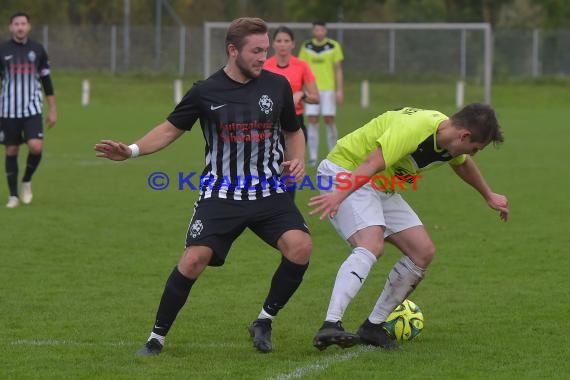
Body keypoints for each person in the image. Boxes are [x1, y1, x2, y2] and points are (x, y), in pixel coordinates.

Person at [94, 17, 312, 356]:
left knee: (301, 248)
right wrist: (132, 150)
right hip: (221, 194)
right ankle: (156, 338)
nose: (262, 57)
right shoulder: (205, 91)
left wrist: (298, 159)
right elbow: (169, 129)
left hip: (269, 191)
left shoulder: (277, 85)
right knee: (194, 259)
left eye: (265, 50)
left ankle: (264, 320)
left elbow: (293, 130)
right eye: (256, 51)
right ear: (232, 50)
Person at [308, 104, 508, 350]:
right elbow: (373, 162)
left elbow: (462, 163)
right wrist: (338, 195)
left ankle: (372, 327)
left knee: (422, 252)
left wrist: (488, 195)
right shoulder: (414, 129)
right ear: (464, 135)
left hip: (381, 184)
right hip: (346, 172)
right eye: (475, 148)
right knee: (371, 244)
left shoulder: (449, 138)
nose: (474, 154)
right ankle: (331, 323)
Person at [0, 12, 57, 208]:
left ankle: (26, 180)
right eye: (16, 24)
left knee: (36, 146)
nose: (20, 27)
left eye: (23, 23)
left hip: (32, 109)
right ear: (11, 27)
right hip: (8, 110)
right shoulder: (2, 50)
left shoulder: (38, 50)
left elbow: (46, 81)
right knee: (12, 150)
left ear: (29, 27)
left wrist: (52, 109)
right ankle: (13, 196)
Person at [264, 25, 319, 199]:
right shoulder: (265, 66)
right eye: (279, 41)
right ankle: (268, 206)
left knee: (290, 169)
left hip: (295, 124)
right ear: (273, 44)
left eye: (286, 41)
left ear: (293, 44)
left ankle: (287, 208)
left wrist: (301, 94)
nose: (282, 45)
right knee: (271, 169)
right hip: (270, 124)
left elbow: (316, 97)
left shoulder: (301, 66)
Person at [298, 21, 344, 167]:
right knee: (312, 120)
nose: (319, 32)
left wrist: (339, 90)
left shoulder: (333, 46)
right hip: (312, 89)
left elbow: (338, 69)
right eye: (316, 30)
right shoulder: (306, 47)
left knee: (329, 119)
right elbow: (301, 69)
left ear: (325, 31)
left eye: (321, 30)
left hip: (328, 89)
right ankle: (312, 157)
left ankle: (333, 154)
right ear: (314, 31)